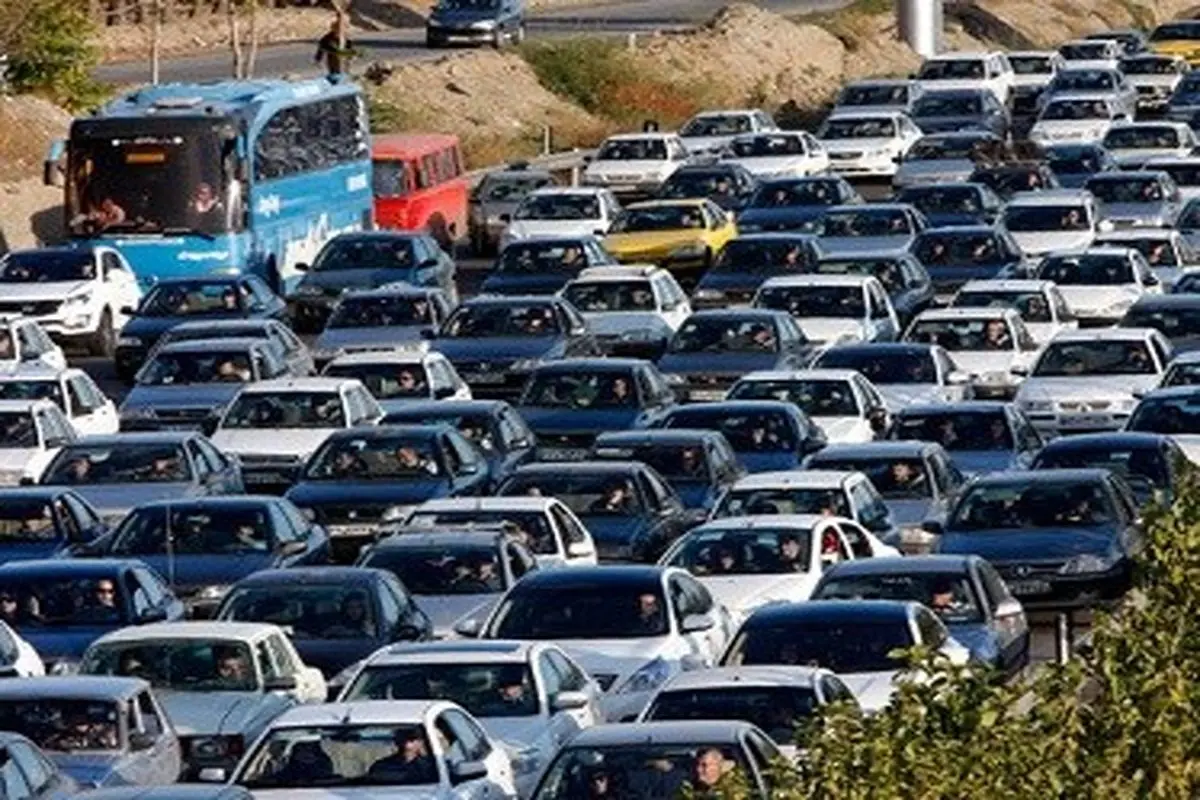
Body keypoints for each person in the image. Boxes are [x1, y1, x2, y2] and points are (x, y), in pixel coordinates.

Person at [368, 729, 438, 784]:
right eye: (404, 737)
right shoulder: (381, 767)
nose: (408, 743)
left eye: (412, 738)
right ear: (397, 741)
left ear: (421, 742)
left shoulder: (431, 767)